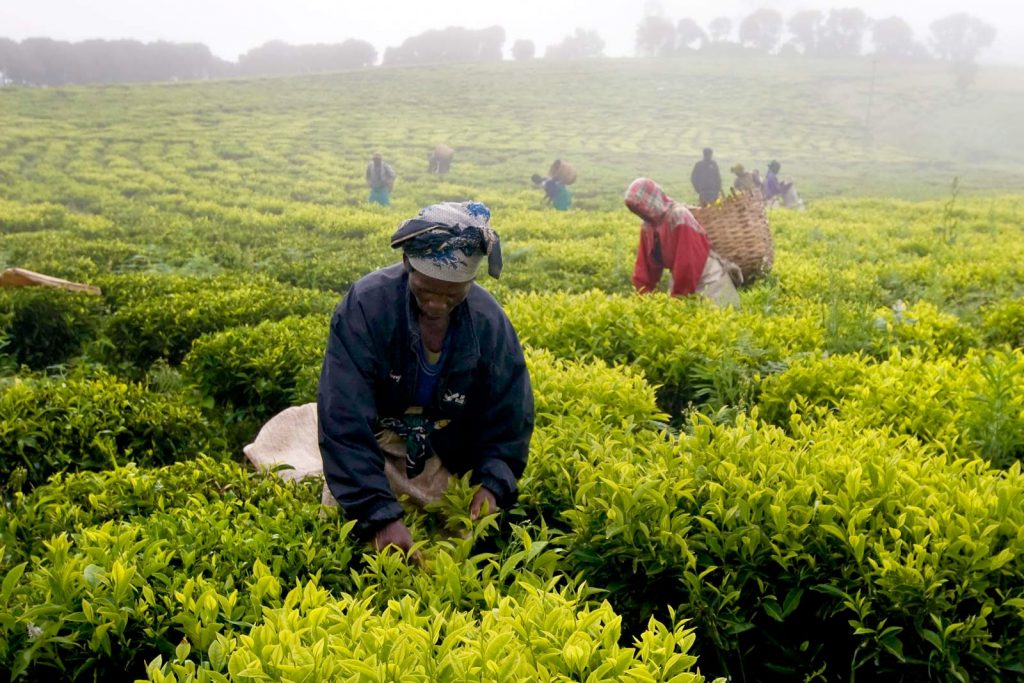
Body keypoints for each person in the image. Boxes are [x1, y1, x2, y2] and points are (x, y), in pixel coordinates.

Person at [318, 201, 534, 559]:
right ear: (407, 265)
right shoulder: (367, 307)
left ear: (471, 281)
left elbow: (509, 417)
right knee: (349, 540)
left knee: (453, 550)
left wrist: (492, 484)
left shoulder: (489, 323)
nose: (436, 305)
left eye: (451, 295)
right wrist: (377, 515)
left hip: (446, 450)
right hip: (380, 446)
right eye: (426, 291)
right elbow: (342, 416)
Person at [626, 177, 740, 307]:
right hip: (681, 278)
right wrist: (643, 298)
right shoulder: (648, 226)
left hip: (710, 279)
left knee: (723, 318)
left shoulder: (679, 216)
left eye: (641, 208)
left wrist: (678, 297)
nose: (641, 214)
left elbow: (688, 262)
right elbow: (644, 268)